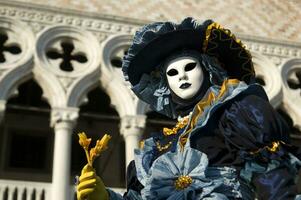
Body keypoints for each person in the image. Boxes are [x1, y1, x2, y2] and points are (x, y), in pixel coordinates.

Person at [77, 17, 301, 200]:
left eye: (189, 67)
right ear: (164, 84)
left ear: (208, 69)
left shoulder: (235, 112)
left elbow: (273, 172)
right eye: (172, 73)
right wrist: (104, 197)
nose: (181, 76)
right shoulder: (157, 148)